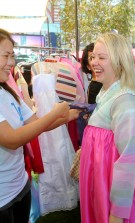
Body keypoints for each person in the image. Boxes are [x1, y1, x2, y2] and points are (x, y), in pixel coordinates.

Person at [0, 28, 80, 223]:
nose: (11, 63)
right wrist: (56, 111)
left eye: (13, 56)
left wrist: (71, 114)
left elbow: (36, 124)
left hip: (19, 185)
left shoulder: (7, 92)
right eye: (6, 55)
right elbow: (12, 140)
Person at [79, 32, 135, 223]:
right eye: (93, 57)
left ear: (119, 61)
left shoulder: (125, 100)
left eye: (102, 57)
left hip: (115, 195)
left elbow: (129, 160)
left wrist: (117, 213)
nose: (94, 62)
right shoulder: (107, 92)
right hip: (102, 183)